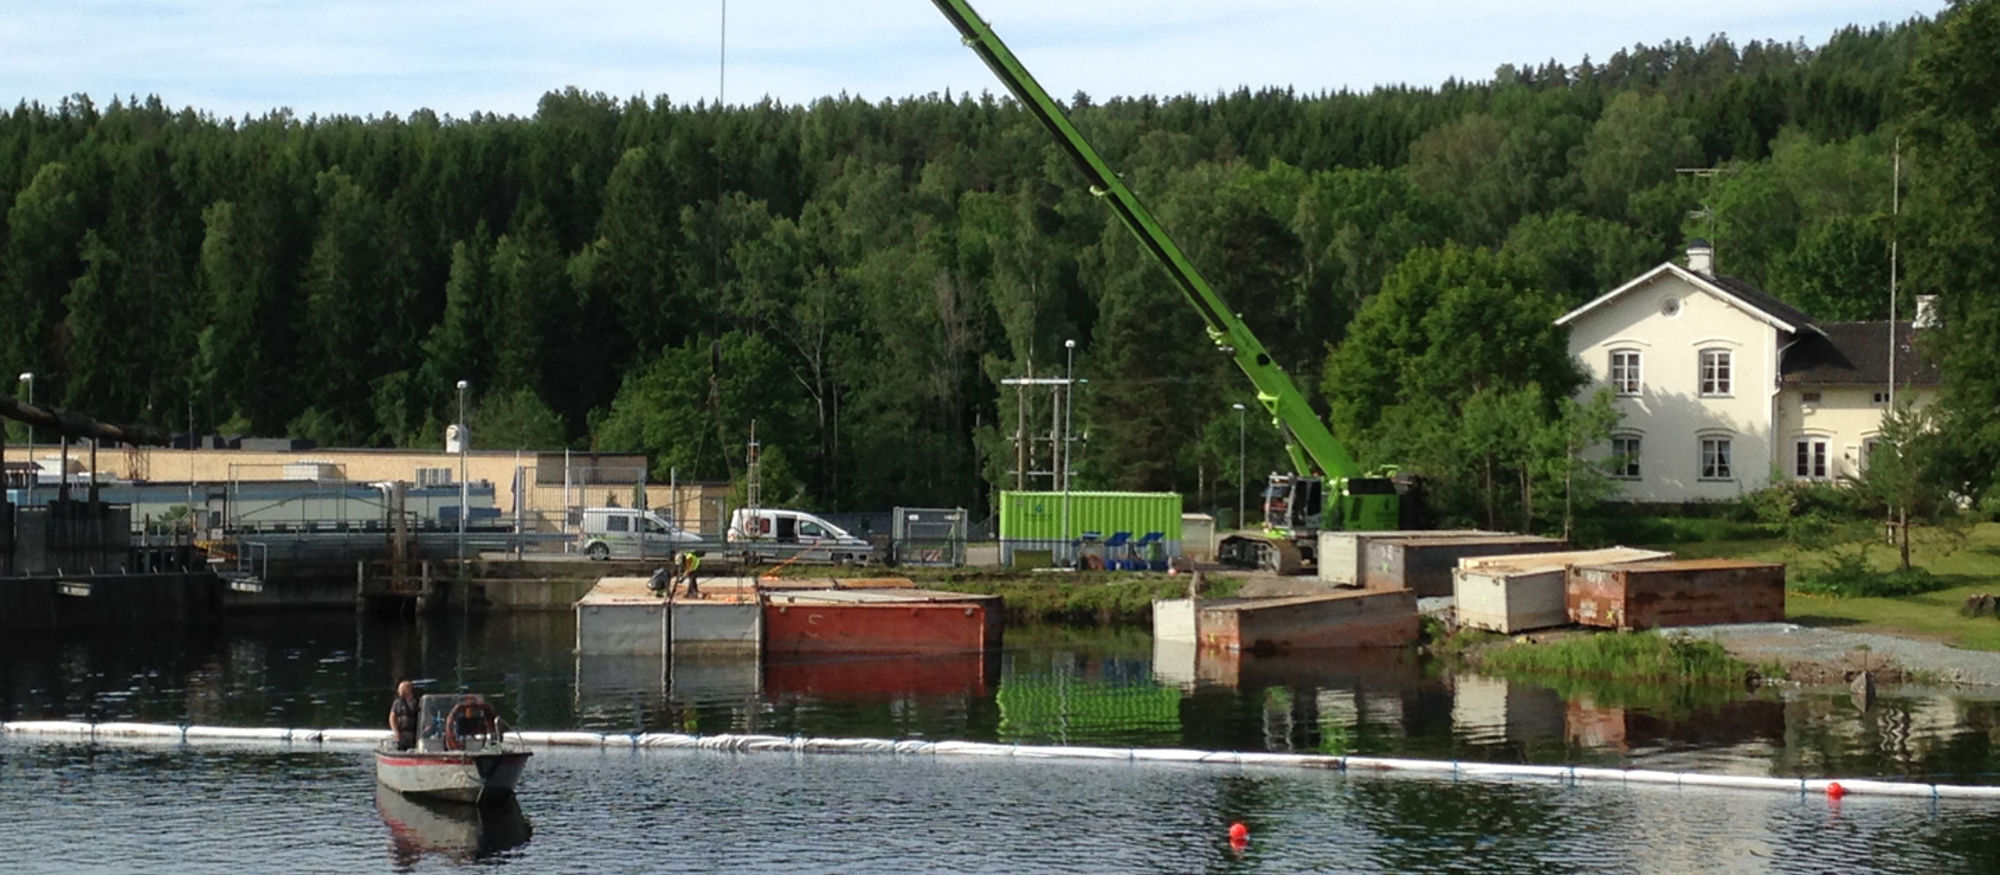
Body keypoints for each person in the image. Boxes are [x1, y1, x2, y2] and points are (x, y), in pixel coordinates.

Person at [388, 680, 419, 751]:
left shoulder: (418, 702)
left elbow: (427, 716)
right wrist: (396, 731)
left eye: (401, 689)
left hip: (415, 733)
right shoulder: (397, 703)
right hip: (402, 733)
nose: (398, 691)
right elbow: (392, 718)